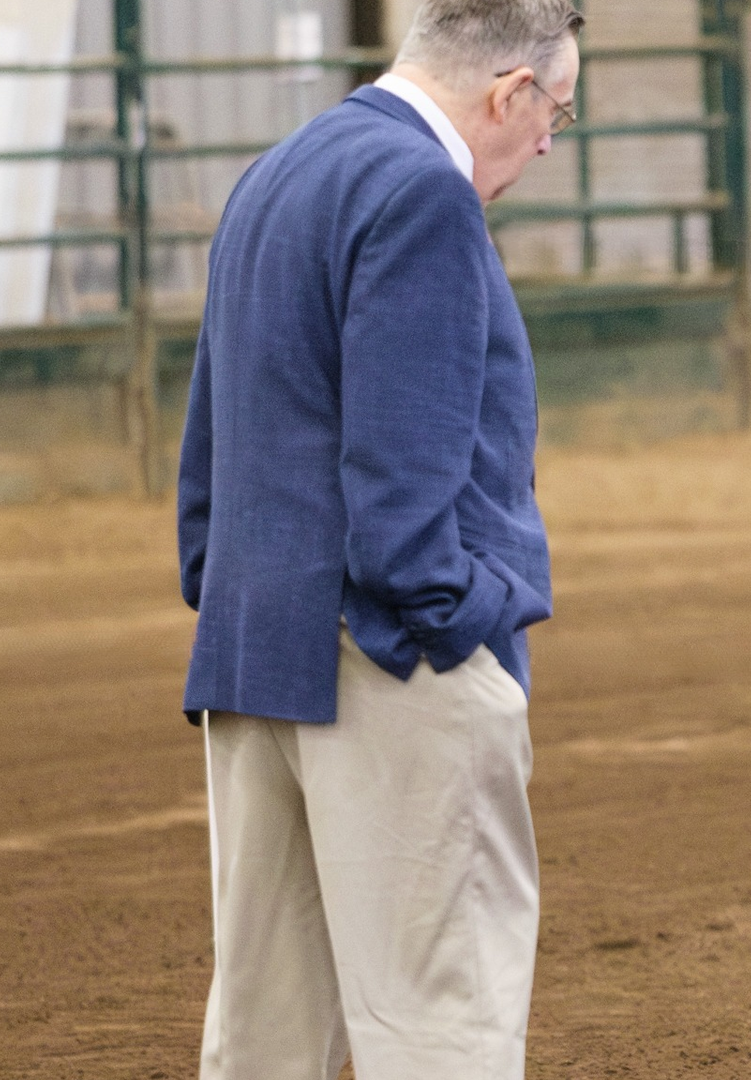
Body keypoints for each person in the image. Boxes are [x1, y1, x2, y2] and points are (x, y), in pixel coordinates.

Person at [174, 2, 581, 1076]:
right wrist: (458, 615)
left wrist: (227, 589)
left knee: (265, 1033)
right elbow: (402, 470)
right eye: (557, 113)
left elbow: (209, 439)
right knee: (440, 1021)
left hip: (254, 649)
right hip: (389, 658)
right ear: (511, 92)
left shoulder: (275, 173)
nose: (549, 144)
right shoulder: (423, 191)